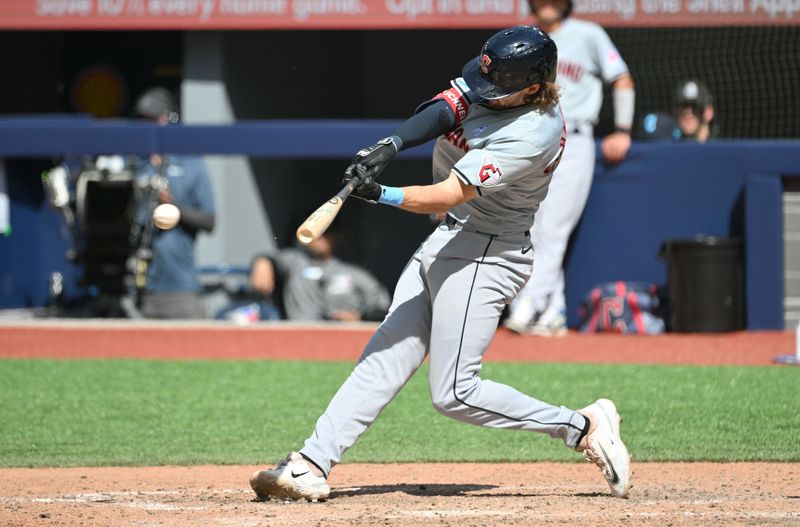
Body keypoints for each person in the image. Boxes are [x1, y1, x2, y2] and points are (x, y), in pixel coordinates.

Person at [249, 26, 631, 502]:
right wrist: (390, 145)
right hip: (451, 234)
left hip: (489, 253)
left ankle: (581, 425)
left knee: (454, 392)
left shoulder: (534, 131)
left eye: (499, 87)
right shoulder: (502, 83)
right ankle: (311, 462)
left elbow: (451, 191)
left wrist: (380, 194)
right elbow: (445, 108)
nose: (484, 90)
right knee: (384, 355)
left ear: (532, 86)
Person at [502, 0, 636, 336]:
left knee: (554, 229)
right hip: (532, 138)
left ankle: (527, 305)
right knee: (531, 226)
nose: (547, 3)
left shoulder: (588, 34)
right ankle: (554, 309)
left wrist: (622, 129)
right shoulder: (523, 37)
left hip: (573, 137)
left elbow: (621, 78)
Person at [133, 87, 216, 319]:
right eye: (141, 120)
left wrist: (173, 206)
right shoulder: (133, 163)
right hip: (135, 287)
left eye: (152, 120)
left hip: (179, 288)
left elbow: (210, 220)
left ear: (167, 120)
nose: (146, 127)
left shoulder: (190, 163)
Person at [243, 219, 390, 322]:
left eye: (326, 231)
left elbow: (383, 311)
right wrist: (262, 262)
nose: (320, 236)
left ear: (337, 235)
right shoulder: (295, 260)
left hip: (344, 339)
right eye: (315, 230)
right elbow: (271, 258)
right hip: (302, 334)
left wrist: (359, 317)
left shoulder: (357, 273)